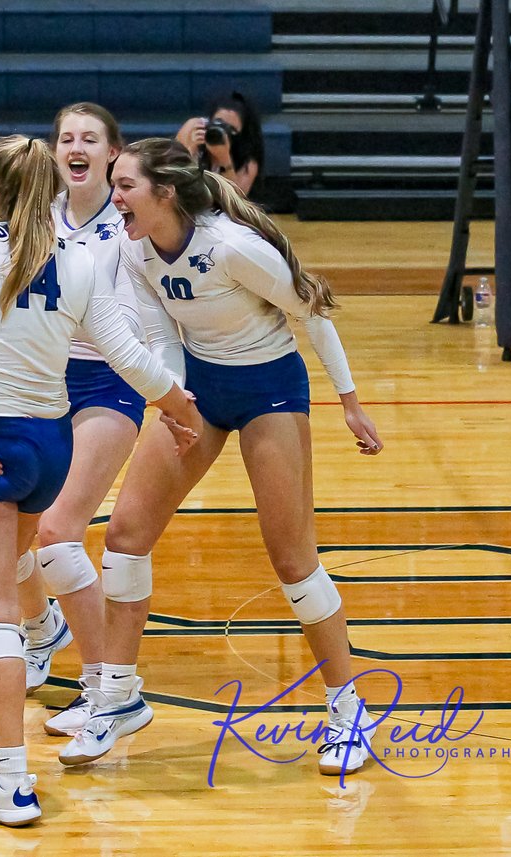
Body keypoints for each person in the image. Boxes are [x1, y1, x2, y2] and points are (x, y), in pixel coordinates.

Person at [0, 135, 201, 826]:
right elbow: (128, 356)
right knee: (9, 577)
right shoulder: (79, 257)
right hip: (50, 446)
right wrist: (178, 405)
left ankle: (10, 779)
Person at [61, 137, 383, 774]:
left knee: (293, 560)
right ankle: (118, 695)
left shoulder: (231, 247)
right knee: (124, 537)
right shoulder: (133, 248)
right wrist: (178, 404)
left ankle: (348, 709)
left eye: (125, 185)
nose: (113, 195)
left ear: (166, 193)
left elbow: (313, 310)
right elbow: (160, 333)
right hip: (202, 385)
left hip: (270, 390)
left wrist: (348, 400)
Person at [10, 102, 143, 737]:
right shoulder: (36, 220)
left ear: (112, 153)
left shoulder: (129, 224)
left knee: (59, 530)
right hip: (47, 380)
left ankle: (106, 685)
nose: (75, 146)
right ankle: (43, 629)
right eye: (66, 137)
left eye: (89, 138)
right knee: (14, 528)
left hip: (113, 383)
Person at [175, 92, 265, 196]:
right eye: (218, 123)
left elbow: (236, 202)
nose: (222, 130)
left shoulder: (248, 160)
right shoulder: (194, 128)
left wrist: (225, 160)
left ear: (241, 132)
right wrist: (189, 152)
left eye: (231, 129)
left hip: (219, 209)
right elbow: (168, 178)